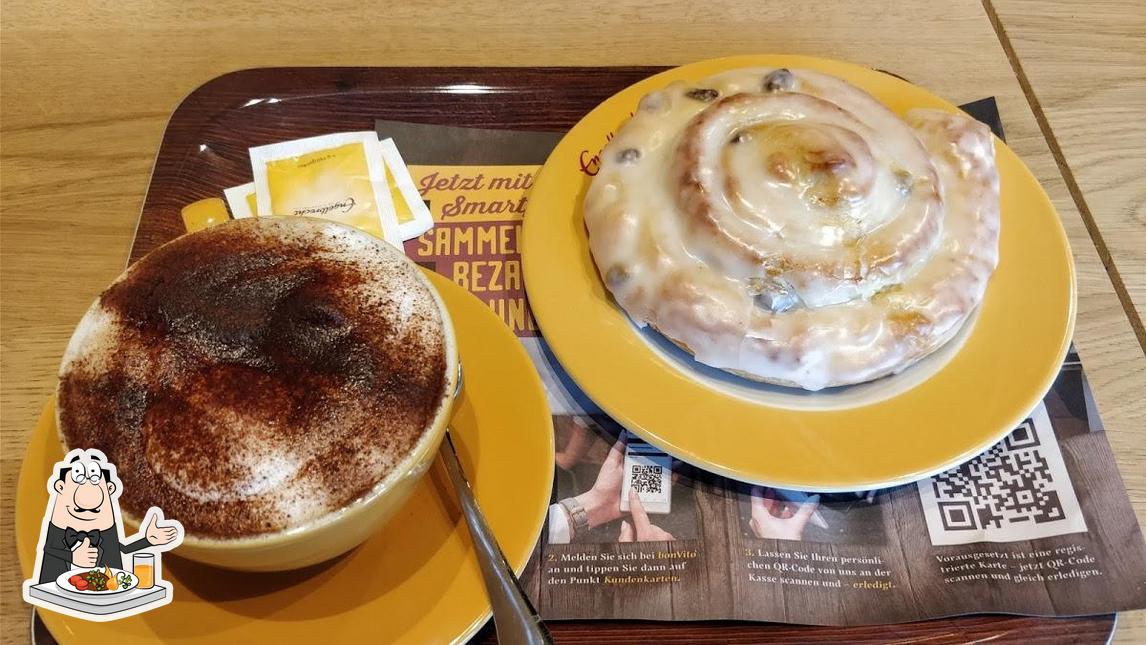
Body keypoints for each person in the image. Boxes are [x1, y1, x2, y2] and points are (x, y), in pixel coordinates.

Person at [36, 451, 180, 584]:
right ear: (60, 487)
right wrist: (72, 556)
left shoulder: (105, 528)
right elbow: (48, 549)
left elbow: (120, 549)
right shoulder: (60, 527)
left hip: (107, 589)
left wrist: (147, 540)